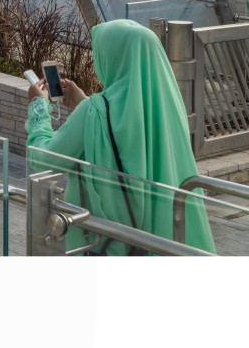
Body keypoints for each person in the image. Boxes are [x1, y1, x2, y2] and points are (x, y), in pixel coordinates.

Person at [25, 20, 215, 254]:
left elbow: (44, 158)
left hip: (110, 241)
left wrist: (39, 107)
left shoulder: (95, 112)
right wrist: (83, 102)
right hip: (166, 239)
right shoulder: (169, 108)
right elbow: (130, 140)